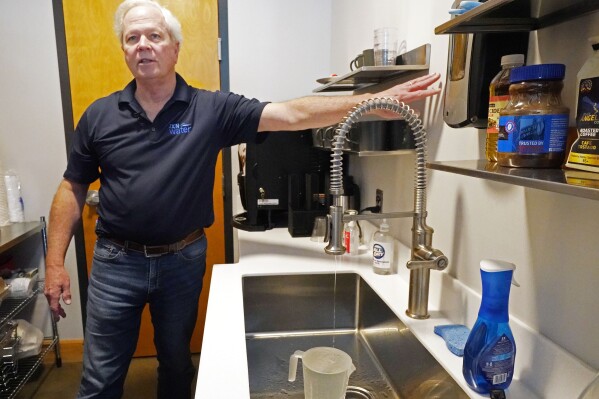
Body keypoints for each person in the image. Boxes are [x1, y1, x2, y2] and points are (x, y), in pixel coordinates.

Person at [44, 0, 441, 398]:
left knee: (177, 363)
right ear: (124, 51)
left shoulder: (211, 109)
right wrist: (55, 263)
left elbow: (289, 115)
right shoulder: (99, 116)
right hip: (117, 262)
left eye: (154, 36)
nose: (143, 45)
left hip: (181, 261)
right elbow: (72, 187)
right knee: (99, 377)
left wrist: (373, 104)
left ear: (174, 47)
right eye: (132, 38)